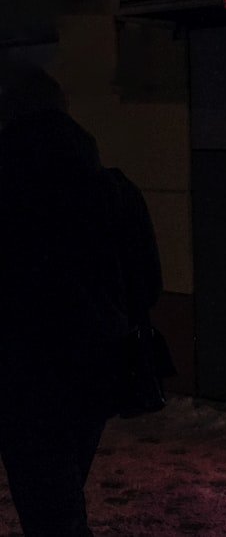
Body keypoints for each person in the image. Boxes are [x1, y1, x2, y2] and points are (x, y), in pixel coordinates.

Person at [0, 59, 162, 536]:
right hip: (96, 367)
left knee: (49, 506)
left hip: (18, 374)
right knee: (62, 492)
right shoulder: (113, 191)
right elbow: (147, 287)